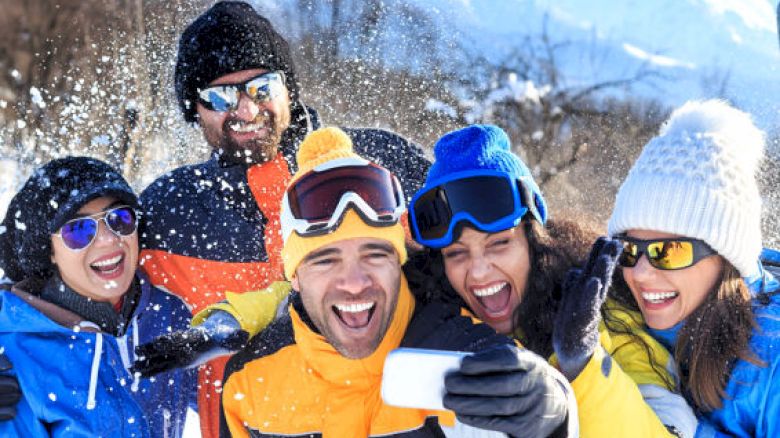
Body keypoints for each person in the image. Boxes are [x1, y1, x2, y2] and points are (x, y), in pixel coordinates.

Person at [137, 125, 695, 436]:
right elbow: (297, 292)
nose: (477, 271)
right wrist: (227, 321)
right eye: (457, 253)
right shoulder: (424, 302)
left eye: (499, 244)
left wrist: (580, 376)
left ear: (537, 241)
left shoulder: (598, 319)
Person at [139, 3, 430, 434]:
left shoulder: (379, 167)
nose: (245, 109)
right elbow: (73, 276)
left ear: (289, 89)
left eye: (262, 87)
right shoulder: (171, 212)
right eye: (219, 96)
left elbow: (485, 247)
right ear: (193, 110)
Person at [219, 126, 576, 437]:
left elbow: (526, 395)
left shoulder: (467, 358)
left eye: (375, 255)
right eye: (325, 260)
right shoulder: (249, 384)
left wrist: (554, 417)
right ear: (294, 276)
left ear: (400, 263)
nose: (355, 283)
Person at [605, 99, 780, 437]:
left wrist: (694, 434)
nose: (639, 273)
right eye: (628, 249)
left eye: (669, 250)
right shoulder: (613, 314)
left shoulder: (772, 360)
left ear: (727, 256)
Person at [0, 156, 197, 437]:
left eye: (119, 219)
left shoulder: (169, 315)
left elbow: (231, 391)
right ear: (49, 251)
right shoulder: (15, 354)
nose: (108, 239)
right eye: (79, 230)